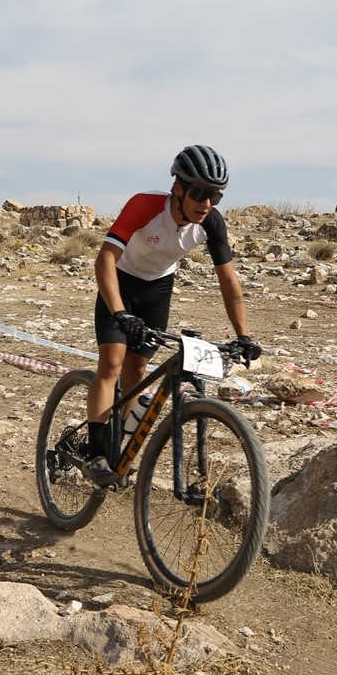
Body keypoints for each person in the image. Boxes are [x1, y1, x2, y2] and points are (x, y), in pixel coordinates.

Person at [83, 144, 262, 482]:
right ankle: (95, 454)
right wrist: (119, 312)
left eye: (215, 196)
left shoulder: (211, 222)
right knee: (111, 364)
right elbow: (104, 258)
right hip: (120, 280)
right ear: (178, 189)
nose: (206, 203)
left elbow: (229, 282)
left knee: (137, 369)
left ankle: (118, 446)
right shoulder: (145, 205)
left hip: (157, 289)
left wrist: (244, 335)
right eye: (198, 193)